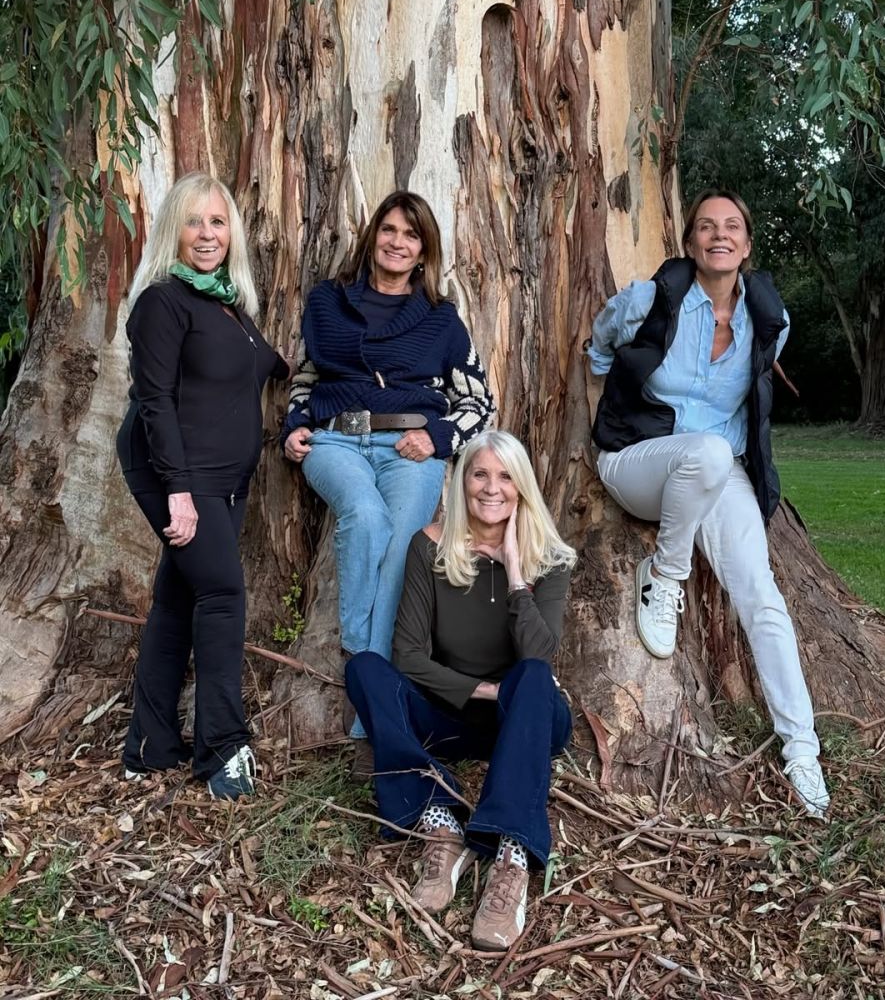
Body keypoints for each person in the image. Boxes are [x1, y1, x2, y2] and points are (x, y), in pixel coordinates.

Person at [589, 187, 829, 817]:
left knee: (762, 595)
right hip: (639, 462)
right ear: (691, 243)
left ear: (746, 244)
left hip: (718, 474)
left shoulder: (768, 320)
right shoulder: (651, 300)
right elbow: (601, 339)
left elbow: (757, 384)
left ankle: (802, 748)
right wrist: (605, 385)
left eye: (731, 227)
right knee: (708, 454)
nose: (718, 235)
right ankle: (664, 577)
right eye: (705, 227)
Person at [281, 191, 495, 761]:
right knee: (366, 517)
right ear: (372, 235)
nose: (398, 242)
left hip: (411, 448)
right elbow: (307, 375)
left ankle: (368, 698)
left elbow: (479, 401)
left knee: (403, 548)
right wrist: (295, 424)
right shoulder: (328, 301)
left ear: (424, 251)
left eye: (412, 235)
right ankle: (367, 665)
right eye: (390, 230)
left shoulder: (440, 318)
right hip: (336, 441)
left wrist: (440, 438)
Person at [345, 430, 576, 950]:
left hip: (531, 722)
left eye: (505, 477)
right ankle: (440, 822)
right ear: (462, 481)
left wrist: (516, 572)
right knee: (366, 669)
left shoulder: (551, 559)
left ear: (522, 488)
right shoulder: (429, 547)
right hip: (454, 717)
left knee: (534, 678)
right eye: (479, 474)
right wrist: (489, 692)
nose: (491, 488)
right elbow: (408, 656)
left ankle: (511, 852)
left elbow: (540, 655)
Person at [116, 173, 288, 799]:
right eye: (195, 222)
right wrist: (178, 491)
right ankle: (223, 753)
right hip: (175, 471)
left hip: (222, 477)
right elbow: (155, 400)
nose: (208, 235)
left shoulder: (225, 304)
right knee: (220, 592)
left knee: (177, 601)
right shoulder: (163, 302)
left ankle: (148, 745)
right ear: (174, 231)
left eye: (218, 222)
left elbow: (268, 364)